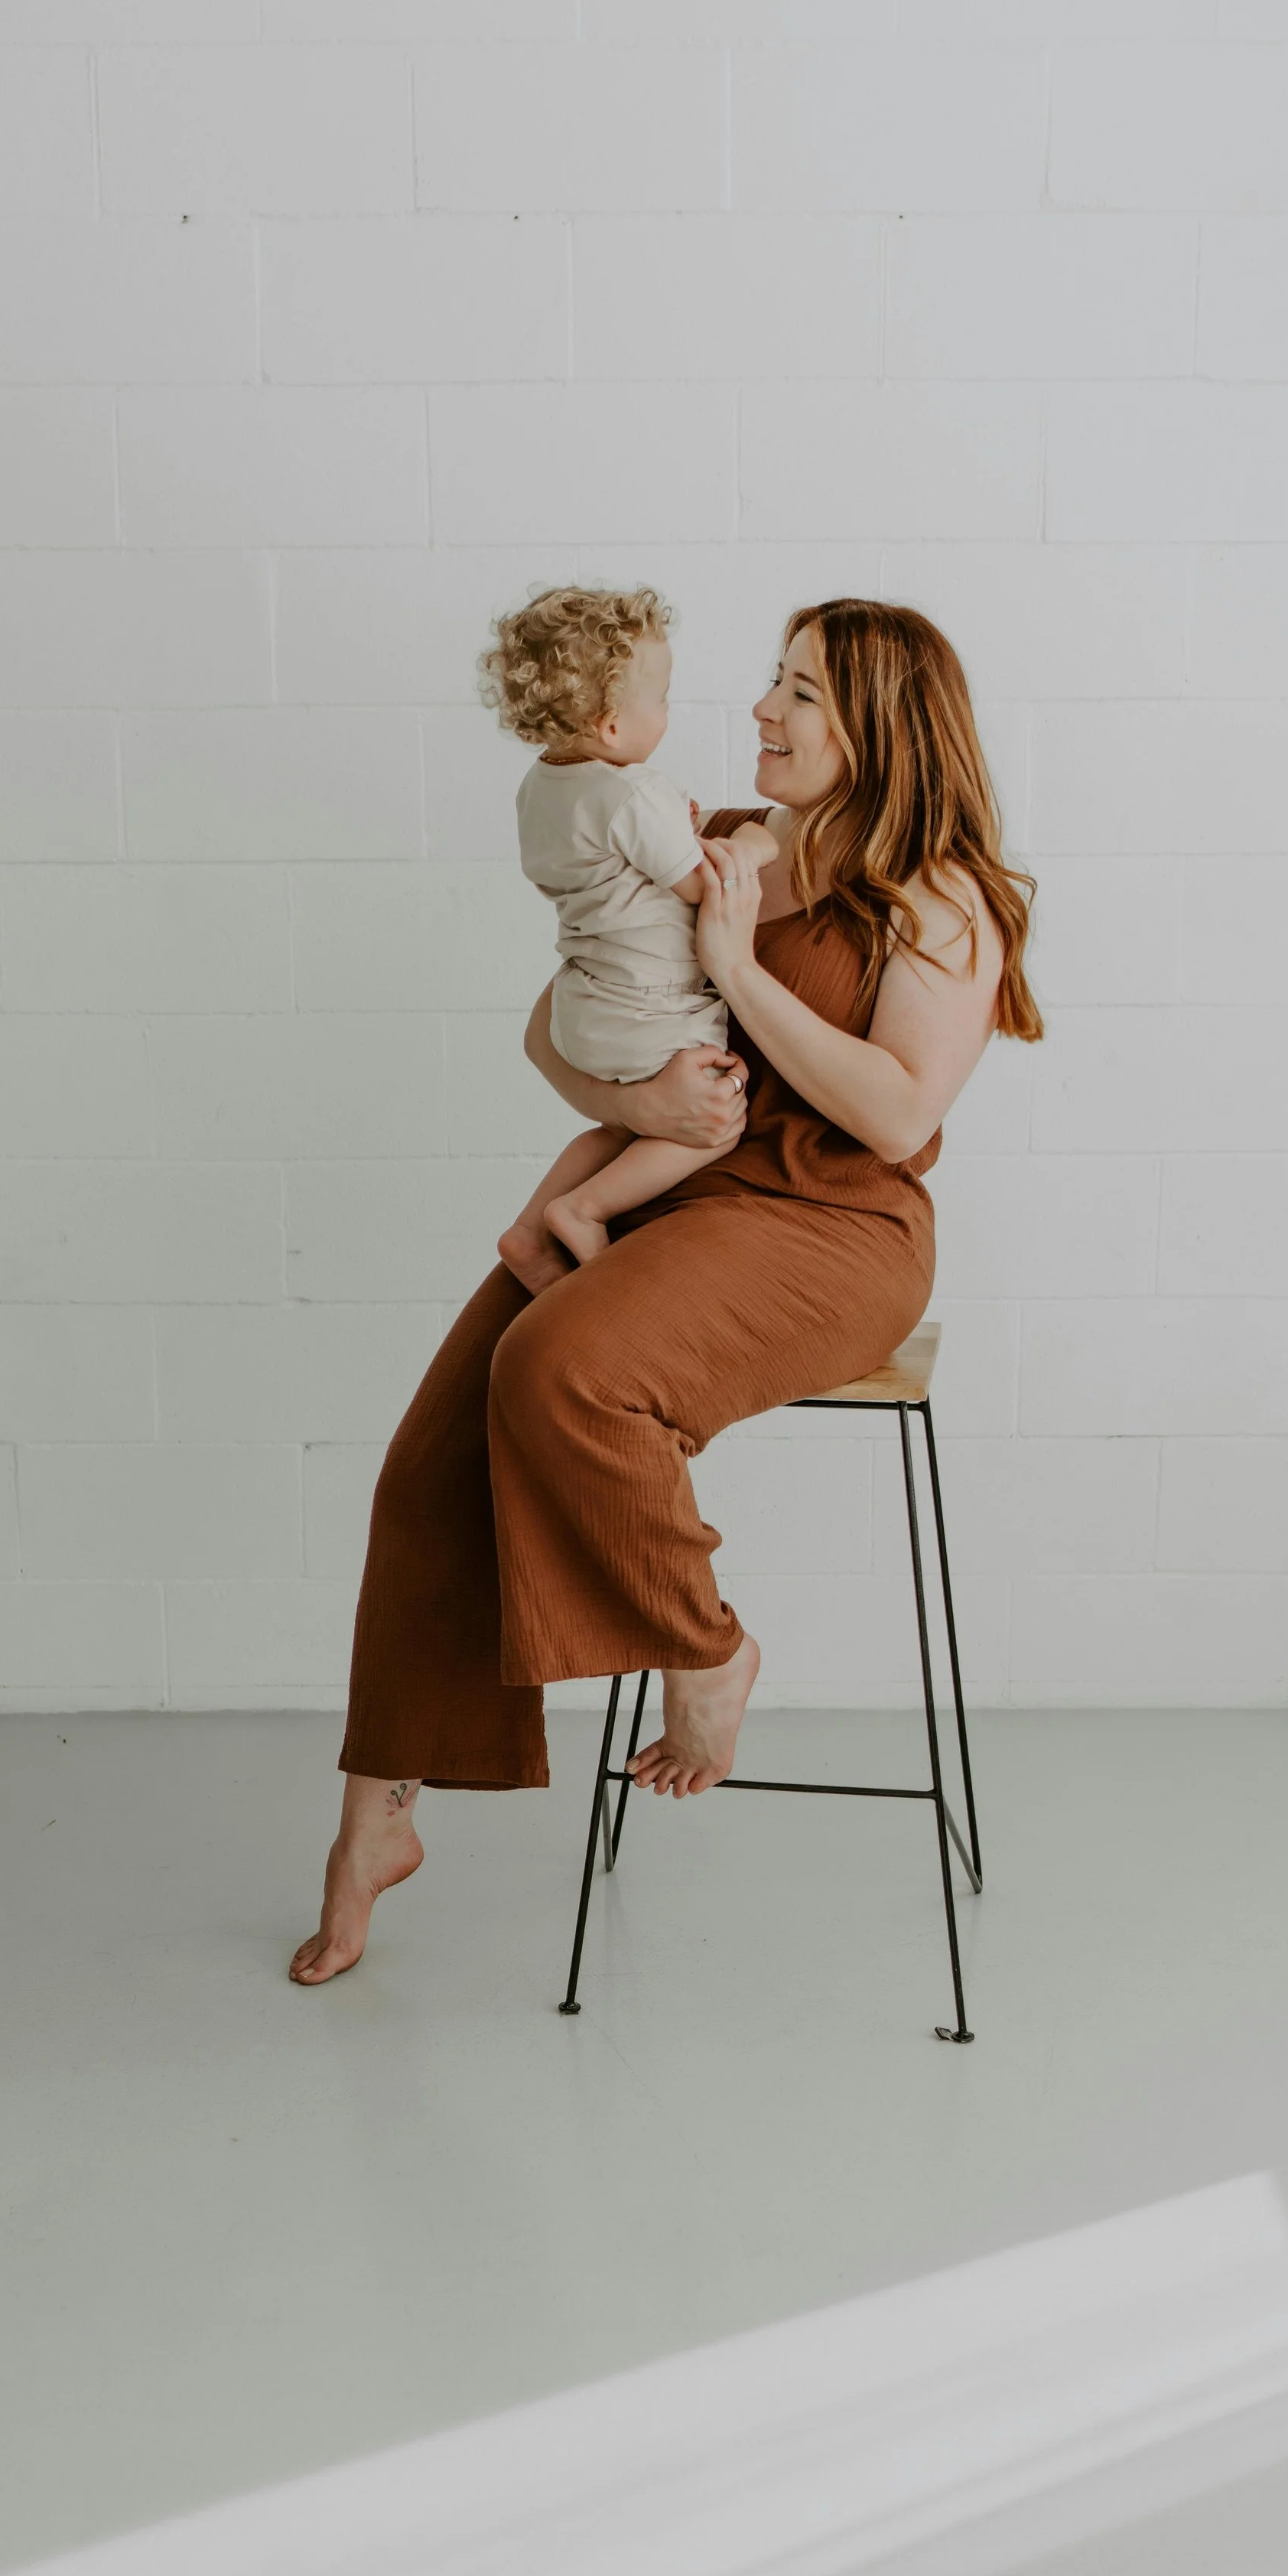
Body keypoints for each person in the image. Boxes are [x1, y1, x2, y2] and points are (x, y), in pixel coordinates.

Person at [291, 599, 1044, 1988]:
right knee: (429, 1465)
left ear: (881, 723)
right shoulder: (731, 850)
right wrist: (635, 1092)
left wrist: (738, 972)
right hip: (675, 1185)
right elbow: (552, 1026)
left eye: (800, 693)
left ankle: (706, 1649)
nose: (761, 709)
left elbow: (890, 1112)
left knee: (561, 1370)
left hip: (830, 1227)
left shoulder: (943, 897)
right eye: (771, 681)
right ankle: (374, 1822)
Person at [486, 583, 780, 1293]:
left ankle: (529, 1232)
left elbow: (597, 863)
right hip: (653, 1008)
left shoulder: (539, 788)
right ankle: (583, 1210)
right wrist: (754, 842)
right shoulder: (633, 792)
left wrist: (665, 829)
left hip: (584, 1006)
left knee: (624, 1135)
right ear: (613, 726)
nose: (668, 714)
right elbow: (702, 885)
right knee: (709, 1120)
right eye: (664, 699)